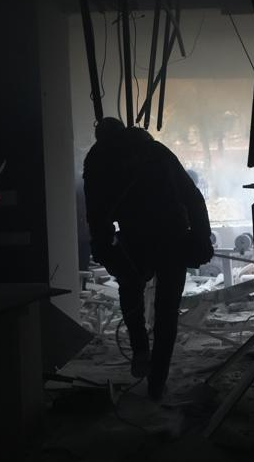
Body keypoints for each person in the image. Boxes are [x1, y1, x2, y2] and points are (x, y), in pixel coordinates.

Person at [83, 117, 213, 400]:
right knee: (167, 310)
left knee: (130, 291)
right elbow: (193, 197)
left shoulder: (98, 160)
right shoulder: (155, 151)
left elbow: (96, 214)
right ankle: (157, 379)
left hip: (136, 239)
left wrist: (104, 246)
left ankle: (140, 348)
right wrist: (202, 237)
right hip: (172, 236)